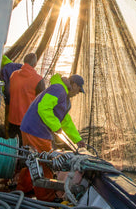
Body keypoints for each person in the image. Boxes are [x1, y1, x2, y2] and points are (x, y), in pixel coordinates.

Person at [17, 73, 86, 202]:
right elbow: (43, 108)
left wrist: (78, 139)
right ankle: (46, 198)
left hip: (30, 128)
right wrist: (55, 126)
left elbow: (66, 121)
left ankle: (23, 189)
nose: (78, 93)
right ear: (74, 85)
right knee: (45, 164)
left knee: (32, 160)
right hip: (37, 131)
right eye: (79, 90)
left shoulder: (64, 97)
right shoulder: (59, 89)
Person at [8, 53, 45, 140]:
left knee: (11, 146)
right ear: (35, 64)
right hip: (28, 121)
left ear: (24, 62)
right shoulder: (38, 79)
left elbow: (9, 92)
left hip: (12, 118)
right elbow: (42, 102)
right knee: (25, 148)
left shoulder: (14, 75)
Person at [0, 55, 22, 138]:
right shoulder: (17, 66)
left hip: (9, 99)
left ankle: (7, 137)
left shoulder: (2, 69)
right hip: (21, 99)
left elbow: (2, 85)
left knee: (8, 119)